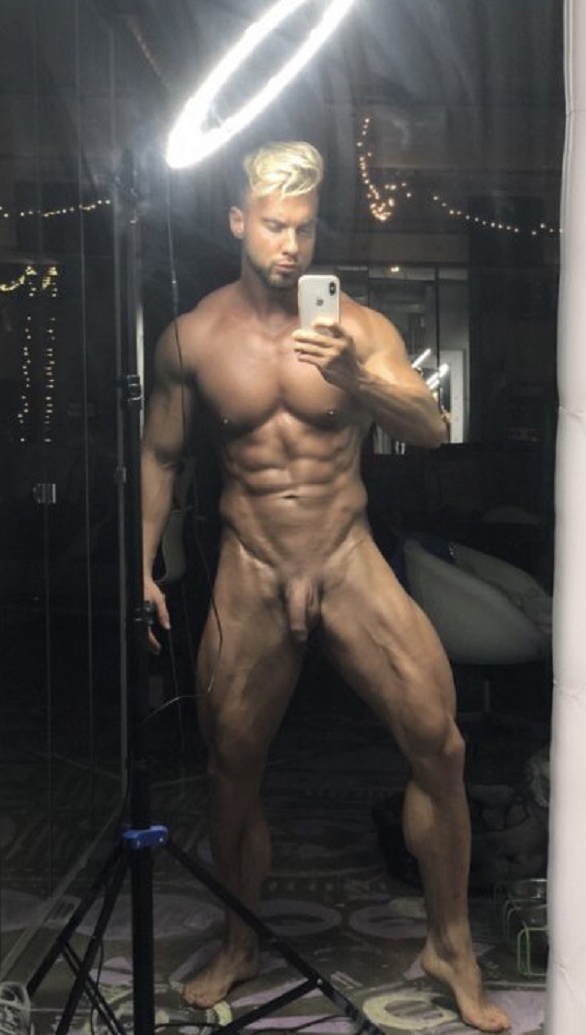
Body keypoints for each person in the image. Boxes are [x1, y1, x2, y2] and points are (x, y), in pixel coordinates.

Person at [141, 141, 510, 1033]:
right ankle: (238, 940)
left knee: (440, 744)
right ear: (238, 221)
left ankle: (449, 945)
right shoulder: (193, 335)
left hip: (345, 557)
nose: (290, 245)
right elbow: (158, 452)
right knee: (231, 767)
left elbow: (431, 427)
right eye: (274, 225)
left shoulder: (359, 326)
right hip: (251, 564)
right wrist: (139, 564)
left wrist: (355, 376)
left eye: (304, 228)